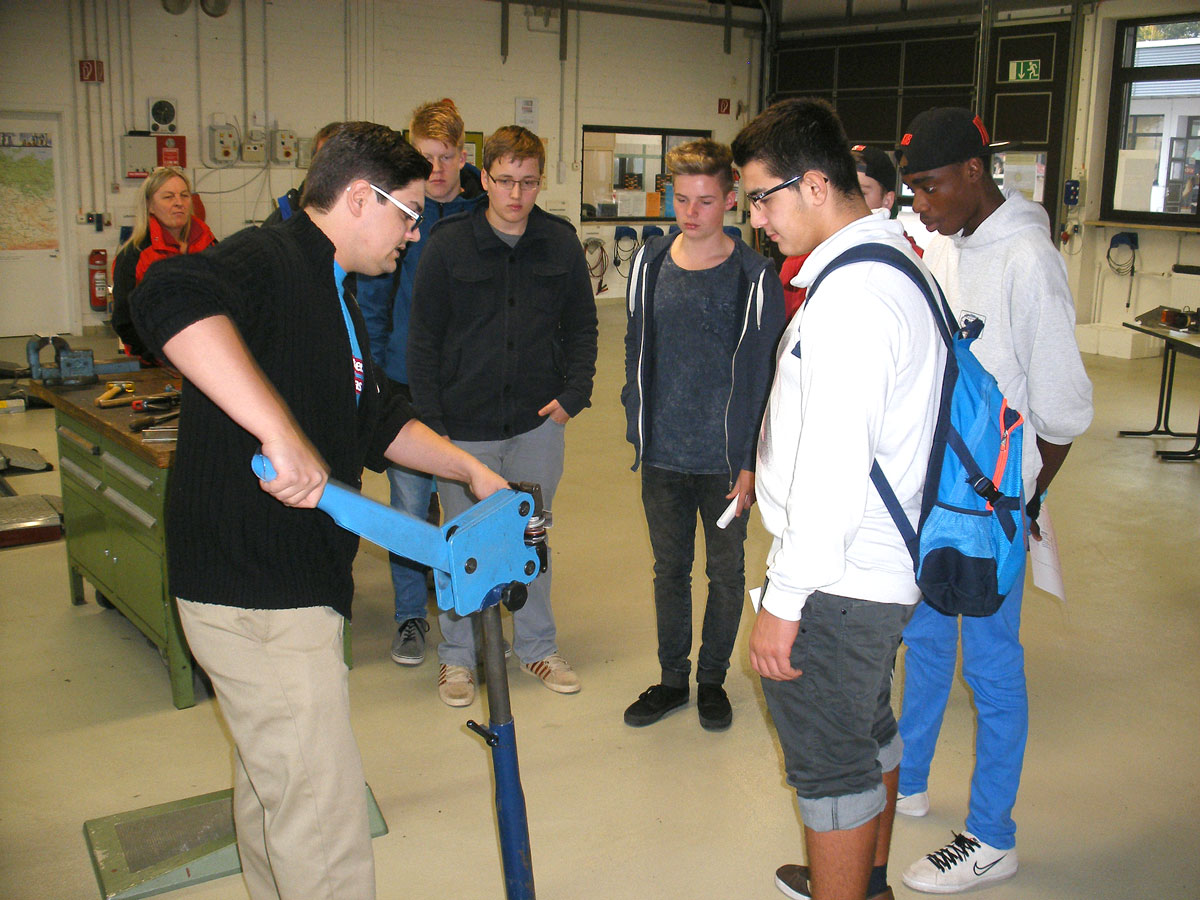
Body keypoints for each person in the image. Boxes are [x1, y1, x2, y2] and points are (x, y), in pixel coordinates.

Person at [131, 121, 510, 900]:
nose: (412, 232)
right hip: (256, 586)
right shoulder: (269, 257)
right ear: (360, 198)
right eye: (407, 212)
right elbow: (165, 296)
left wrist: (468, 469)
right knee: (320, 815)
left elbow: (373, 415)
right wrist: (277, 429)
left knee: (277, 790)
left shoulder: (334, 292)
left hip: (282, 580)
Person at [732, 98, 946, 900]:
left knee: (829, 763)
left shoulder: (853, 300)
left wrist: (784, 602)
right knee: (867, 728)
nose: (757, 219)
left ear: (814, 184)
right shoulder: (891, 266)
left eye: (762, 197)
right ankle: (868, 879)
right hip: (878, 566)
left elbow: (831, 471)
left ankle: (845, 883)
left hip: (842, 577)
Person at [892, 107, 1094, 894]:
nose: (921, 205)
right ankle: (908, 777)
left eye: (931, 186)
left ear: (974, 172)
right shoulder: (949, 247)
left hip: (993, 510)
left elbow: (1066, 411)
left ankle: (992, 834)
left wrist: (1020, 506)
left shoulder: (1028, 260)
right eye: (911, 189)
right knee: (930, 642)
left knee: (995, 667)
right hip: (943, 499)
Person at [408, 124, 598, 707]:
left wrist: (574, 395)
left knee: (532, 536)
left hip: (535, 424)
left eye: (529, 182)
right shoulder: (447, 245)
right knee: (460, 541)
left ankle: (537, 646)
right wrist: (433, 426)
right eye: (506, 181)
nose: (517, 195)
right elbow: (423, 340)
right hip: (461, 429)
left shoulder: (560, 243)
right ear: (484, 177)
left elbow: (584, 327)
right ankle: (458, 659)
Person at [620, 138, 783, 731]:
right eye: (682, 198)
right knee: (669, 571)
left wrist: (749, 462)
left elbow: (765, 374)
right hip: (663, 457)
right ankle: (671, 680)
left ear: (732, 201)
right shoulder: (650, 262)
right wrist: (637, 418)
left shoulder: (754, 275)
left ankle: (711, 679)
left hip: (724, 464)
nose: (692, 212)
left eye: (706, 201)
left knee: (726, 572)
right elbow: (638, 345)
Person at [356, 99, 484, 668]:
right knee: (409, 507)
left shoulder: (485, 212)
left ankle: (467, 607)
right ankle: (411, 616)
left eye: (445, 157)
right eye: (424, 157)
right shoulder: (399, 215)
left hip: (467, 388)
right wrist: (378, 373)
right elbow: (375, 300)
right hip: (406, 382)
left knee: (463, 503)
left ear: (463, 155)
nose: (435, 169)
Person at [779, 144, 917, 320]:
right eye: (843, 191)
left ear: (887, 200)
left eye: (861, 193)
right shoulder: (800, 263)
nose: (848, 201)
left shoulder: (911, 260)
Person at [111, 166, 216, 361]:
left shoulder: (209, 245)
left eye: (184, 196)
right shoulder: (134, 255)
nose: (179, 203)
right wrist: (157, 356)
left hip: (207, 356)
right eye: (168, 197)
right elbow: (123, 320)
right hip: (155, 362)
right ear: (149, 205)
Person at [261, 121, 343, 226]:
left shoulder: (365, 213)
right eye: (324, 159)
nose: (332, 167)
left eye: (339, 158)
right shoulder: (289, 214)